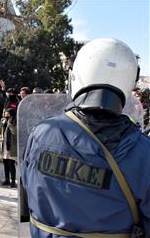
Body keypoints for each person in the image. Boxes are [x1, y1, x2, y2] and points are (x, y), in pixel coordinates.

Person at [21, 38, 150, 237]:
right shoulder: (143, 152)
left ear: (75, 77)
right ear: (130, 83)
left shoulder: (42, 132)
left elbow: (29, 194)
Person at [0, 108, 17, 188]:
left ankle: (13, 181)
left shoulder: (15, 121)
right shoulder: (2, 121)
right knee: (5, 164)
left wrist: (9, 124)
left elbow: (15, 132)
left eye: (7, 114)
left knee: (11, 164)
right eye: (5, 114)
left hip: (11, 146)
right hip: (3, 145)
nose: (6, 115)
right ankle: (7, 179)